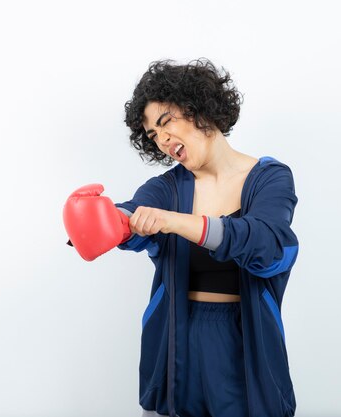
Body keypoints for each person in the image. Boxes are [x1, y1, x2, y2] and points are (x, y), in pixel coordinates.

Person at [63, 58, 299, 417]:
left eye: (165, 122)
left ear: (198, 107)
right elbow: (135, 213)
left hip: (242, 343)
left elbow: (266, 244)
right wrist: (106, 222)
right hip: (176, 341)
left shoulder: (270, 178)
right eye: (153, 135)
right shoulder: (167, 188)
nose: (162, 140)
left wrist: (176, 222)